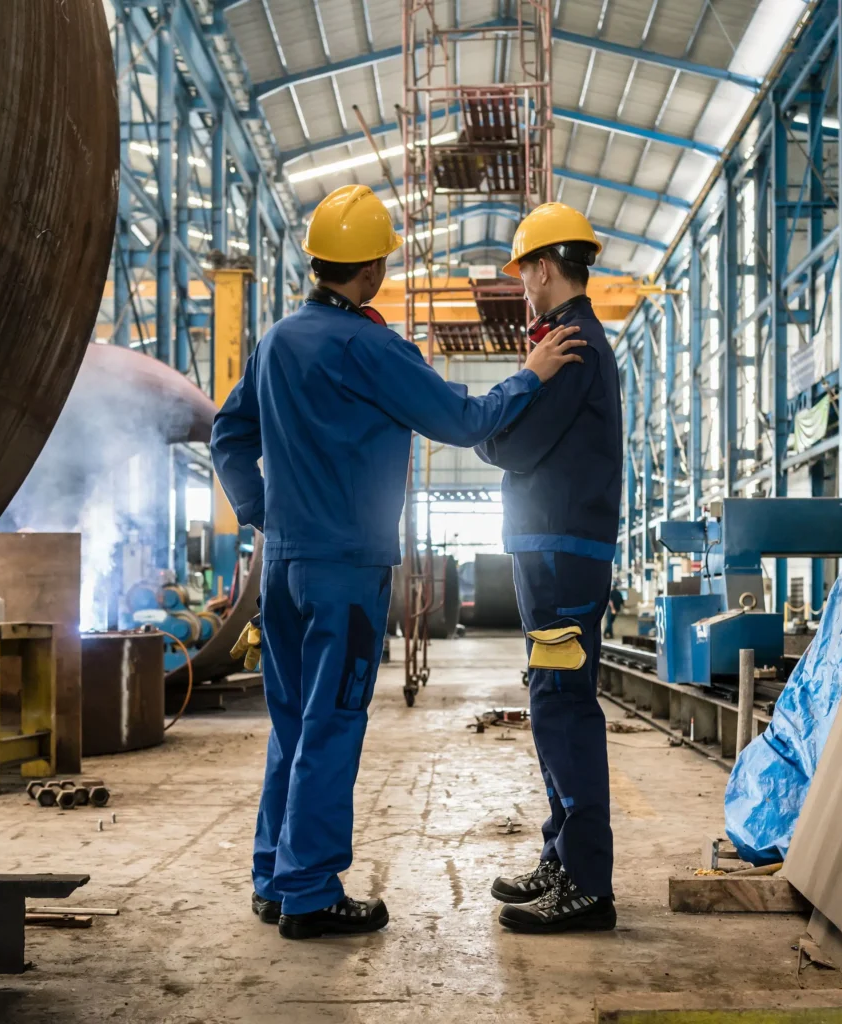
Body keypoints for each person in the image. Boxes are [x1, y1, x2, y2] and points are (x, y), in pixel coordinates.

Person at [211, 184, 587, 941]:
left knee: (291, 725)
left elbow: (227, 433)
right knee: (332, 725)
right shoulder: (372, 348)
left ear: (319, 260)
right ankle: (311, 894)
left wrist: (261, 514)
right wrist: (533, 373)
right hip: (344, 574)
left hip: (281, 567)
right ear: (374, 269)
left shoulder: (280, 340)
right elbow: (462, 419)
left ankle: (274, 878)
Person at [475, 202, 623, 934]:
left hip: (563, 560)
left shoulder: (571, 348)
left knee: (562, 705)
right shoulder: (569, 343)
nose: (521, 286)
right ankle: (563, 857)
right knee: (550, 698)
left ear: (540, 266)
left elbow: (505, 447)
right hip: (555, 553)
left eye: (522, 272)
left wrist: (497, 416)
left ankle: (588, 884)